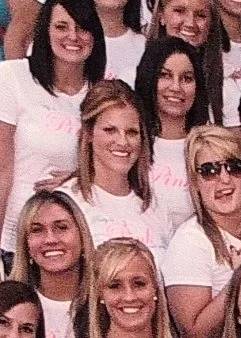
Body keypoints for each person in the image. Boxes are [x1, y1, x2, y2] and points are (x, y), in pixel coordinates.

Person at [163, 125, 241, 338]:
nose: (224, 179)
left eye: (235, 167)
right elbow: (195, 336)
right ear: (195, 182)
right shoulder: (190, 242)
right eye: (209, 171)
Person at [58, 76, 166, 252]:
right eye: (110, 130)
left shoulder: (154, 204)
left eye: (132, 132)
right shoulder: (66, 203)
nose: (122, 142)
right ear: (88, 134)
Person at [8, 188, 95, 338]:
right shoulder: (3, 303)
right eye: (37, 230)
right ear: (26, 244)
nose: (50, 239)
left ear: (82, 236)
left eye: (61, 227)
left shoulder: (106, 303)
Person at [134, 37, 207, 238]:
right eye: (165, 75)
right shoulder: (130, 142)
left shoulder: (209, 148)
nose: (176, 87)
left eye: (187, 78)